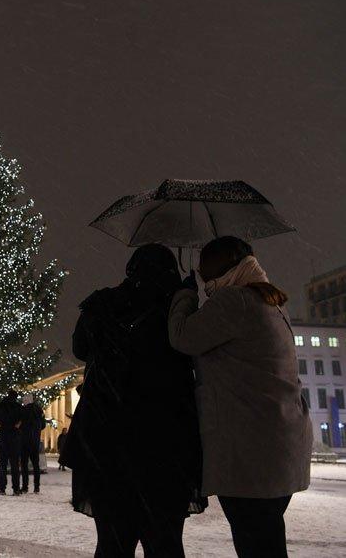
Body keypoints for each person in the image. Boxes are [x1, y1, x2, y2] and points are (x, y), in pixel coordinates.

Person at [168, 236, 312, 557]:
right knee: (266, 540)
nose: (204, 280)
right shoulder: (273, 303)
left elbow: (182, 336)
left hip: (250, 453)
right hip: (280, 447)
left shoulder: (235, 301)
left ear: (227, 265)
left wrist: (185, 295)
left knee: (256, 544)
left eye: (206, 271)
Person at [67, 244, 205, 557]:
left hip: (107, 442)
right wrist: (186, 296)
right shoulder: (175, 311)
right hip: (165, 445)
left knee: (113, 544)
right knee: (165, 544)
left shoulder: (103, 304)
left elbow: (80, 348)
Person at [0, 389, 23, 495]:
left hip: (3, 436)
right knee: (15, 464)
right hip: (14, 436)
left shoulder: (0, 405)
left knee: (2, 464)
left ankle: (2, 488)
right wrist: (19, 424)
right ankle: (16, 489)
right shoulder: (18, 407)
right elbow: (25, 418)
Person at [20, 393, 45, 493]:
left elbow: (20, 425)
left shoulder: (23, 411)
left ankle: (25, 486)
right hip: (35, 441)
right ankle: (36, 487)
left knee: (24, 465)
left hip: (24, 441)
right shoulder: (39, 410)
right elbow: (43, 425)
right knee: (36, 465)